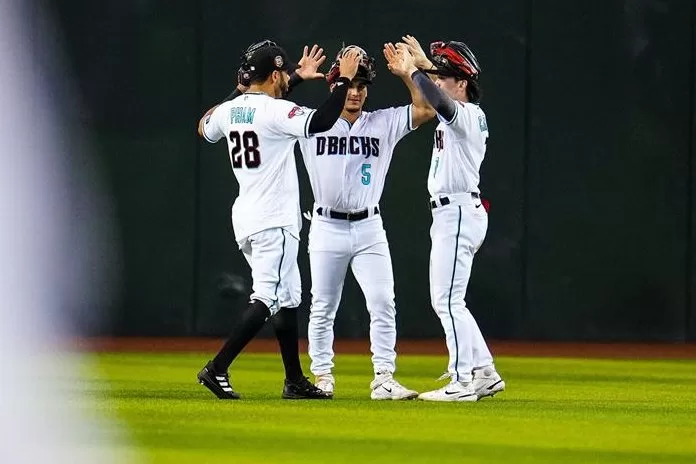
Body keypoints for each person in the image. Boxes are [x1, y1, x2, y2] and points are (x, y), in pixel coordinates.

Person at [196, 41, 360, 400]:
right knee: (269, 296)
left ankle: (294, 381)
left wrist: (286, 81)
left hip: (247, 215)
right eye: (284, 74)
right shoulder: (276, 111)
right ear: (273, 75)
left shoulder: (230, 111)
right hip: (274, 219)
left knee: (288, 297)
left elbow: (204, 126)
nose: (288, 78)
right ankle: (217, 367)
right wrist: (344, 81)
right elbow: (319, 121)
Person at [298, 44, 435, 399]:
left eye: (362, 85)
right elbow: (274, 106)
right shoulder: (311, 123)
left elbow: (424, 108)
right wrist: (301, 77)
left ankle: (384, 378)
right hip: (326, 226)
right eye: (349, 84)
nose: (356, 92)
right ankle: (323, 377)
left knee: (383, 301)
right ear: (334, 86)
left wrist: (408, 74)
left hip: (369, 227)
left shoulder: (383, 122)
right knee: (323, 306)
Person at [389, 35, 505, 401]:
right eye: (436, 74)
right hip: (454, 212)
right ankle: (484, 371)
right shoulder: (464, 112)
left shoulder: (467, 114)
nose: (437, 81)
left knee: (448, 300)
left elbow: (439, 100)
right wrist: (425, 66)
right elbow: (439, 92)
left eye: (445, 75)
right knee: (451, 300)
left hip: (457, 211)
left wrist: (414, 70)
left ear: (463, 82)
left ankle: (462, 381)